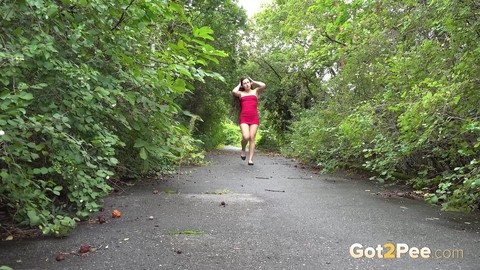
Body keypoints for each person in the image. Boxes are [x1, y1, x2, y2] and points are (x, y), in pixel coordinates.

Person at [232, 76, 266, 165]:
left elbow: (263, 85)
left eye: (247, 82)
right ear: (242, 85)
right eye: (244, 83)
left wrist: (254, 81)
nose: (246, 84)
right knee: (246, 136)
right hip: (244, 118)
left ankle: (250, 159)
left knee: (252, 138)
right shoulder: (241, 93)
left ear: (250, 83)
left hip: (254, 118)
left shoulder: (256, 91)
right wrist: (239, 84)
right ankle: (243, 149)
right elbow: (234, 91)